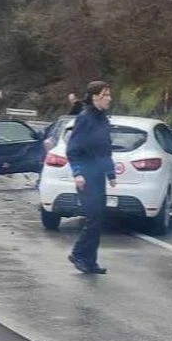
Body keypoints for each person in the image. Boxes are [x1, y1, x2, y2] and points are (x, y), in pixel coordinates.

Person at [67, 81, 116, 274]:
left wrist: (110, 173)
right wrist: (77, 173)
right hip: (86, 175)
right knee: (93, 217)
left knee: (98, 217)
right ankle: (78, 253)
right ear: (96, 97)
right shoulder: (84, 118)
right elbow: (73, 149)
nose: (109, 98)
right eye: (106, 95)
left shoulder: (102, 119)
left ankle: (90, 261)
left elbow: (106, 149)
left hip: (98, 174)